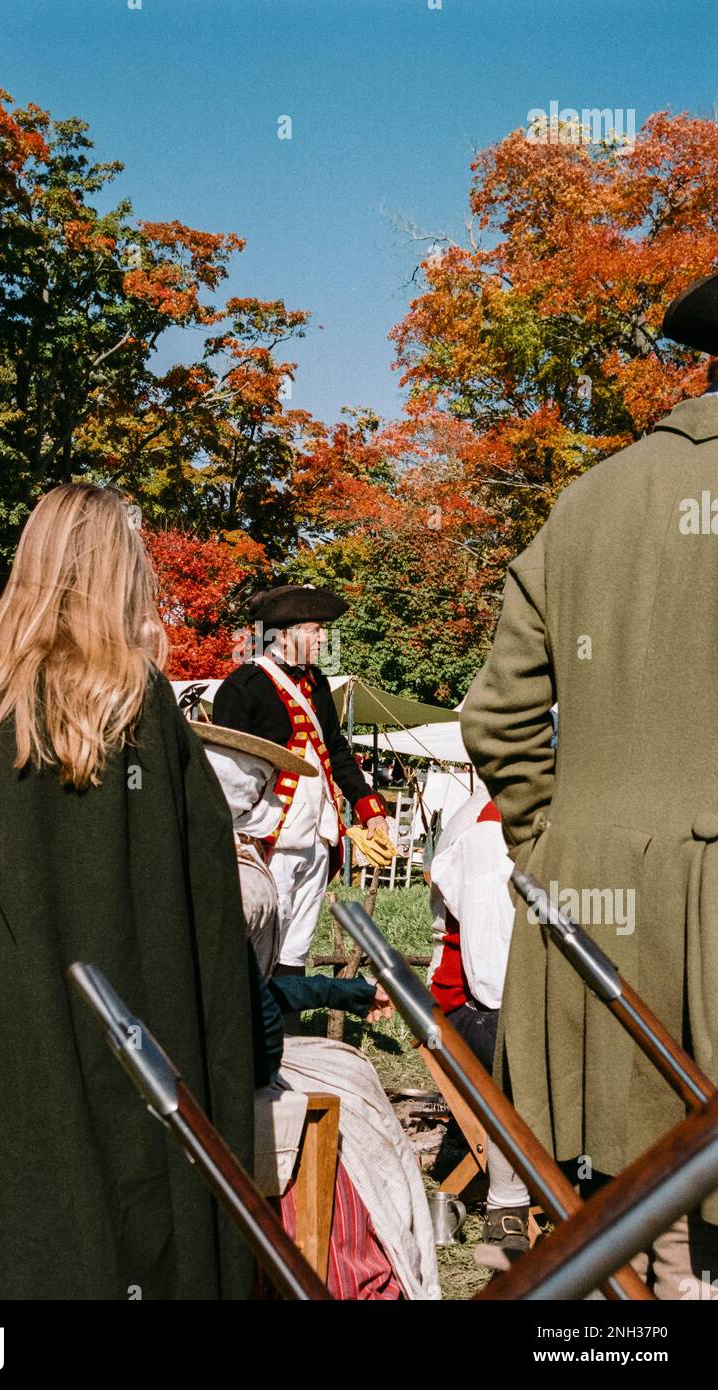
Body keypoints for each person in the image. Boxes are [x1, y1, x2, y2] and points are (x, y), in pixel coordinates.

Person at [0, 483, 258, 1301]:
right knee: (118, 1217)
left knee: (3, 1218)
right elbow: (199, 900)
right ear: (117, 571)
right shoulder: (133, 699)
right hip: (124, 1018)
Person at [459, 273, 718, 1299]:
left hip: (585, 922)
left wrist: (557, 848)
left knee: (612, 1226)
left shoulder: (588, 499)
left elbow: (496, 715)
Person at [194, 717, 440, 1300]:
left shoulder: (217, 863)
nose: (269, 794)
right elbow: (253, 1028)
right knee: (353, 1109)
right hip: (218, 1078)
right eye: (257, 783)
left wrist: (347, 993)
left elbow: (254, 991)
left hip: (220, 1055)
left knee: (350, 1070)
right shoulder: (229, 880)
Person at [212, 584, 394, 976]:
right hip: (267, 843)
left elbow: (336, 749)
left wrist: (367, 805)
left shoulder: (317, 683)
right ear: (283, 634)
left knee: (294, 954)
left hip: (317, 840)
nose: (324, 638)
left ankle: (288, 1037)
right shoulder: (244, 686)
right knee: (256, 950)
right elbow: (226, 774)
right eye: (314, 629)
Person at [428, 788, 531, 1255]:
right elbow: (491, 979)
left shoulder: (509, 812)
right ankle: (506, 1209)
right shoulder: (493, 827)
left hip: (493, 997)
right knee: (524, 1046)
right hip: (470, 1010)